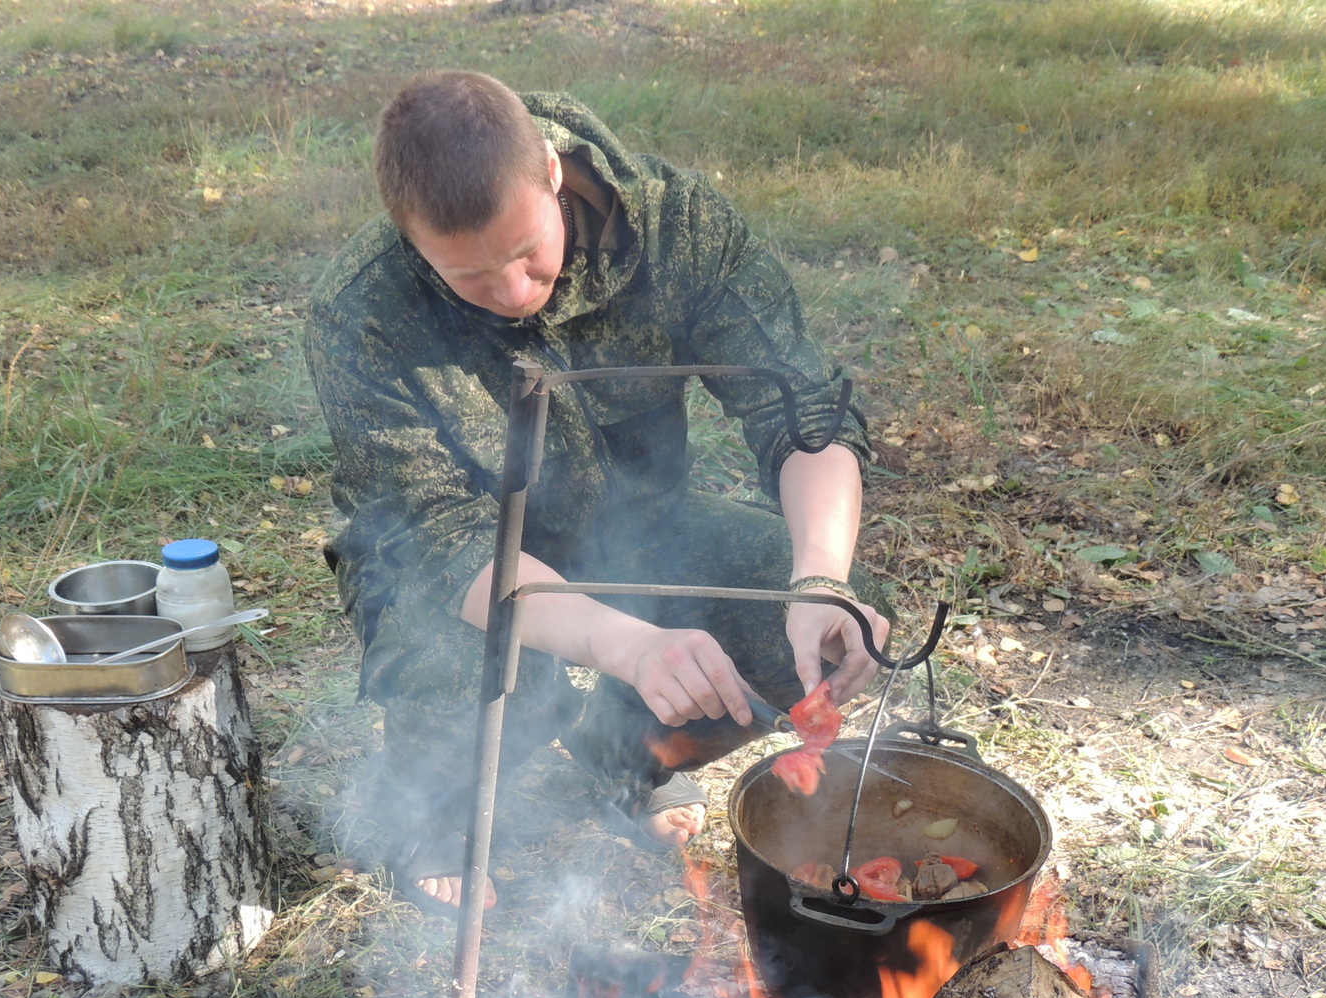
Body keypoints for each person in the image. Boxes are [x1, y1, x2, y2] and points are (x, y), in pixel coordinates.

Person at [305, 71, 891, 913]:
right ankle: (439, 814)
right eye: (470, 277)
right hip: (456, 576)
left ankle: (625, 758)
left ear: (551, 172)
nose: (513, 293)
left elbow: (802, 414)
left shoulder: (677, 226)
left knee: (818, 626)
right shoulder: (362, 309)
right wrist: (627, 644)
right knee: (452, 668)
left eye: (523, 253)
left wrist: (820, 580)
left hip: (640, 529)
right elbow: (438, 540)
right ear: (411, 240)